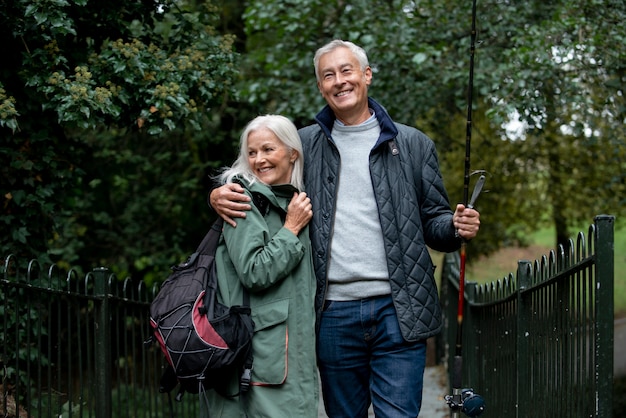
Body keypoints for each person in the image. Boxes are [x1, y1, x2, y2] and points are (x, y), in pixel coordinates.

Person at [210, 40, 481, 418]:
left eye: (347, 70)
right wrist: (220, 192)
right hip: (331, 313)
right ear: (320, 87)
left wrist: (455, 227)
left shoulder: (414, 144)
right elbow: (258, 173)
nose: (339, 81)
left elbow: (433, 223)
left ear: (366, 75)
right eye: (328, 75)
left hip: (399, 310)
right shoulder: (302, 145)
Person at [206, 114, 318, 417]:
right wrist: (291, 230)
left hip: (284, 358)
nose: (259, 159)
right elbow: (255, 270)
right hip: (259, 362)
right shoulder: (241, 199)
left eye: (268, 149)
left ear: (292, 153)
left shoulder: (289, 200)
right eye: (252, 152)